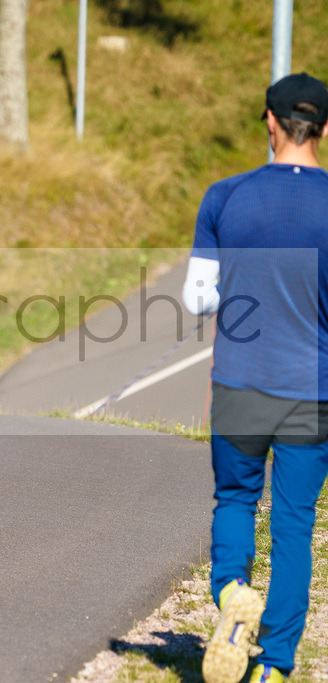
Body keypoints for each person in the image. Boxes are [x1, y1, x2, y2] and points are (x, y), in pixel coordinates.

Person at [183, 72, 328, 683]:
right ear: (324, 129)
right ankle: (275, 668)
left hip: (240, 382)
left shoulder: (224, 197)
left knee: (236, 500)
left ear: (269, 122)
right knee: (294, 525)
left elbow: (196, 300)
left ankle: (229, 595)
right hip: (312, 392)